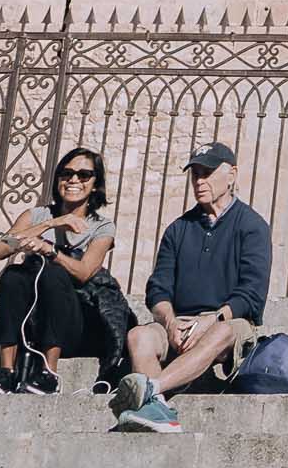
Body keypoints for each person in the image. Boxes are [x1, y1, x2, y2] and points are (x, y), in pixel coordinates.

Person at [110, 141, 272, 433]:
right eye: (195, 173)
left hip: (228, 321)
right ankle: (157, 410)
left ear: (232, 175)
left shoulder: (252, 226)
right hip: (181, 322)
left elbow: (252, 294)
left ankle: (150, 389)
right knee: (139, 336)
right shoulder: (178, 229)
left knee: (222, 331)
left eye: (207, 172)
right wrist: (171, 323)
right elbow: (157, 289)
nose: (199, 180)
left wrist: (210, 319)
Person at [0, 146, 126, 396]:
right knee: (14, 275)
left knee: (54, 272)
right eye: (66, 173)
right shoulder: (37, 215)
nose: (73, 180)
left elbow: (84, 272)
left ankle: (49, 373)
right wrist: (51, 223)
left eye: (84, 175)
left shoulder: (102, 226)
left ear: (95, 184)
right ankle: (6, 371)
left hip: (75, 320)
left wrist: (50, 250)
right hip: (34, 316)